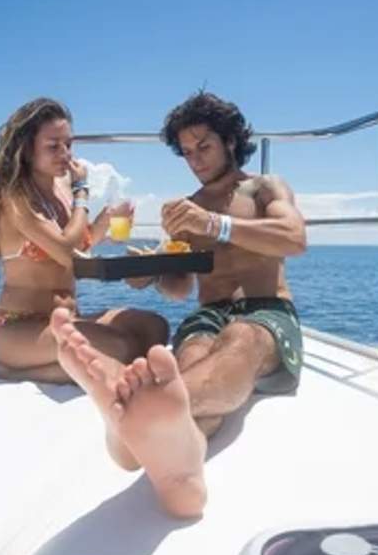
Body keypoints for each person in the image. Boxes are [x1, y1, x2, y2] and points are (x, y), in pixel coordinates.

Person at [48, 91, 306, 518]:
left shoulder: (263, 188)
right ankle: (181, 468)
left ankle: (130, 421)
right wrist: (150, 272)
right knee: (190, 356)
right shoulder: (190, 208)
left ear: (228, 140)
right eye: (186, 152)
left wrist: (216, 225)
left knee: (240, 337)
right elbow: (180, 289)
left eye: (203, 146)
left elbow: (294, 238)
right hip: (208, 312)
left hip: (265, 310)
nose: (196, 159)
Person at [0, 97, 168, 388]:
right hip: (21, 328)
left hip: (65, 321)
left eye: (69, 144)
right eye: (53, 146)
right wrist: (82, 191)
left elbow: (78, 249)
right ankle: (16, 371)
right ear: (26, 150)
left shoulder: (60, 187)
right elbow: (68, 253)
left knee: (154, 328)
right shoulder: (14, 197)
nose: (65, 154)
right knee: (119, 348)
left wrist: (105, 220)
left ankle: (69, 363)